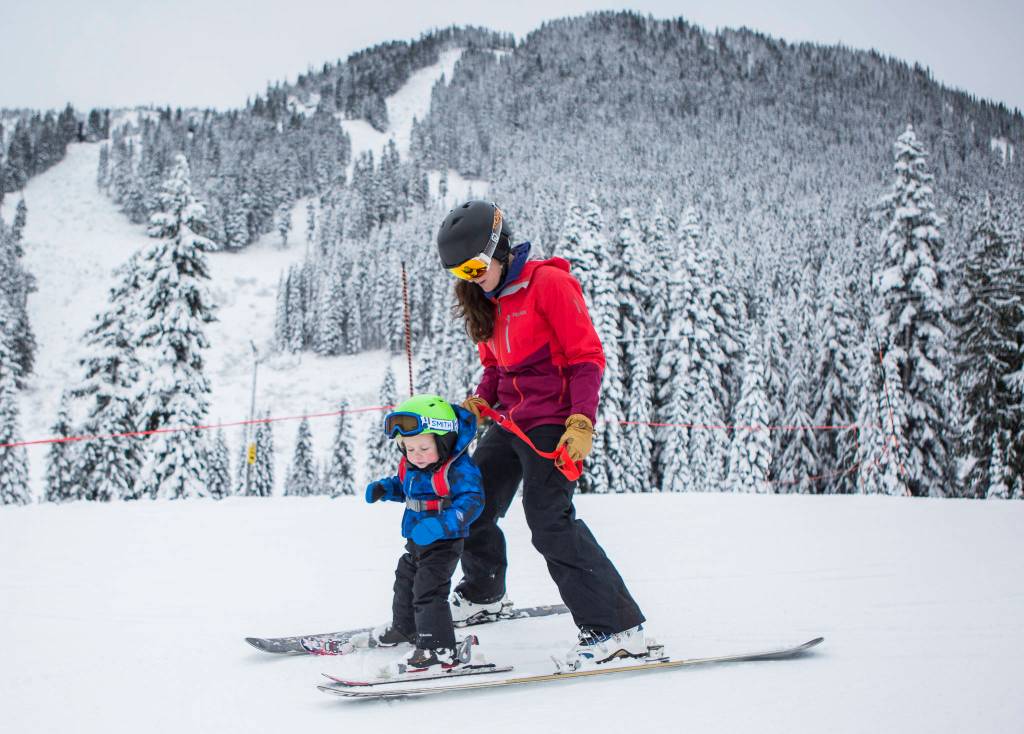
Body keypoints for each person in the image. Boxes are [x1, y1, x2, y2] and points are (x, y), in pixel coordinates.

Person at [436, 200, 647, 667]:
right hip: (511, 419)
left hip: (553, 420)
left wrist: (581, 421)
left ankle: (617, 629)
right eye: (460, 271)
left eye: (475, 265)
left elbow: (586, 357)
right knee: (470, 500)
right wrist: (480, 401)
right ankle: (485, 593)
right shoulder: (486, 298)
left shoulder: (548, 283)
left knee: (549, 519)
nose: (471, 277)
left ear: (501, 249)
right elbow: (495, 366)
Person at [362, 393, 484, 670]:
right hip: (416, 541)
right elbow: (405, 486)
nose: (416, 456)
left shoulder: (459, 469)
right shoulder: (413, 466)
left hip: (444, 543)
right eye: (409, 448)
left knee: (428, 590)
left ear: (444, 441)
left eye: (423, 449)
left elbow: (472, 501)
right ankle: (406, 628)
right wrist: (386, 489)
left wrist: (442, 524)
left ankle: (438, 648)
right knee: (405, 580)